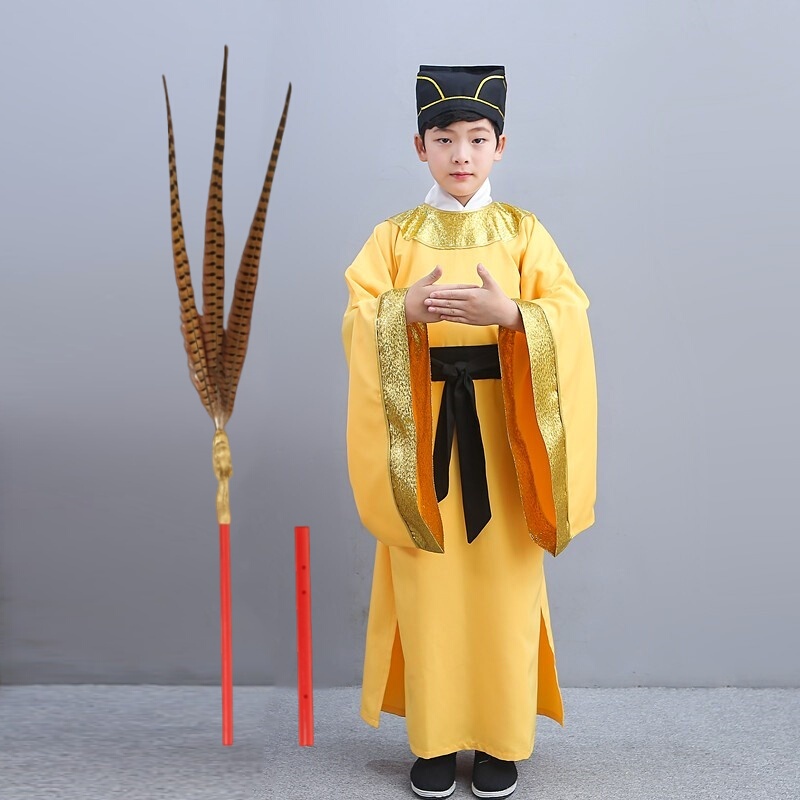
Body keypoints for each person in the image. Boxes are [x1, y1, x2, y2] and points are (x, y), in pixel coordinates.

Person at [342, 64, 597, 799]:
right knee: (429, 586)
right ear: (419, 147)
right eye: (444, 138)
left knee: (502, 588)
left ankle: (500, 741)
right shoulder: (392, 237)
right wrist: (403, 314)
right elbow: (360, 317)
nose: (461, 153)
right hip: (422, 437)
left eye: (476, 139)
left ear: (501, 145)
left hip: (504, 433)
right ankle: (433, 737)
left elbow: (570, 314)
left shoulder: (524, 233)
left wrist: (517, 318)